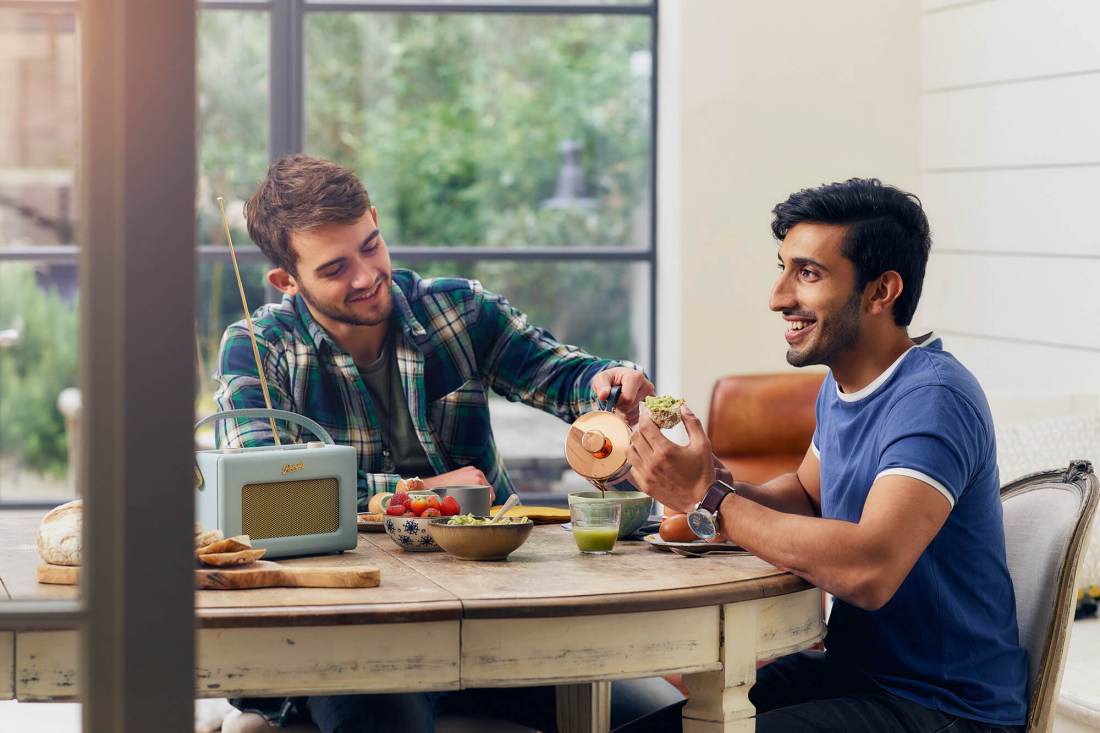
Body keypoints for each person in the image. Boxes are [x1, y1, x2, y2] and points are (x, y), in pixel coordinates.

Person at [214, 154, 683, 732]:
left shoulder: (458, 309)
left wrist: (609, 381)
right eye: (334, 268)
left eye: (370, 246)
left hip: (495, 609)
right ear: (287, 281)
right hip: (347, 627)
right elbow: (266, 494)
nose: (365, 277)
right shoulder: (257, 346)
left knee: (662, 717)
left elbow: (561, 375)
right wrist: (424, 493)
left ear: (376, 221)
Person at [627, 179, 1028, 733]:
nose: (778, 297)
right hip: (857, 676)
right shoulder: (844, 386)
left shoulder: (933, 398)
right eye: (783, 268)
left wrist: (709, 500)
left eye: (808, 273)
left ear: (881, 291)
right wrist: (712, 481)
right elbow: (806, 495)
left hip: (944, 708)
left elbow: (871, 569)